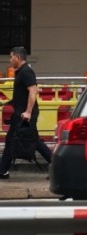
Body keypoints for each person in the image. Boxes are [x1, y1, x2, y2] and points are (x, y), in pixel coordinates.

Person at [1, 46, 53, 178]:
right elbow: (23, 94)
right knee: (16, 140)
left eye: (11, 57)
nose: (10, 60)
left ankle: (59, 167)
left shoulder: (26, 72)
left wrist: (28, 112)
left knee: (32, 141)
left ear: (18, 57)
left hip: (25, 115)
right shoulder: (21, 72)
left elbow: (33, 91)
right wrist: (6, 103)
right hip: (20, 113)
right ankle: (3, 170)